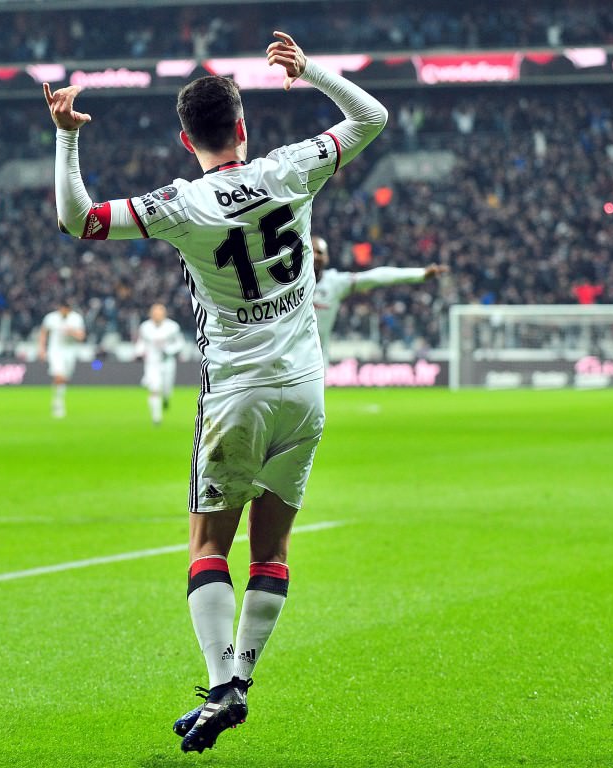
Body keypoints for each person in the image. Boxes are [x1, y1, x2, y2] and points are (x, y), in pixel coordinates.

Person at [45, 30, 387, 752]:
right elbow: (371, 118)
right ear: (242, 126)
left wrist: (68, 138)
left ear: (184, 138)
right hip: (305, 390)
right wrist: (309, 70)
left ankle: (220, 680)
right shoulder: (290, 168)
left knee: (208, 544)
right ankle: (243, 679)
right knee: (273, 549)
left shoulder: (180, 204)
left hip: (235, 393)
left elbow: (79, 220)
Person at [312, 235, 449, 370]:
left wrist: (420, 274)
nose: (315, 256)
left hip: (318, 364)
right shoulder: (297, 282)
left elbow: (377, 276)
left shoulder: (335, 283)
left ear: (327, 257)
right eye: (310, 251)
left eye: (319, 252)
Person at [135, 303, 184, 425]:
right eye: (155, 313)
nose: (157, 316)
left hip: (167, 361)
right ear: (151, 314)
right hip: (152, 362)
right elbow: (141, 342)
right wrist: (139, 352)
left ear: (164, 314)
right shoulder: (145, 327)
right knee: (155, 388)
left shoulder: (173, 327)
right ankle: (156, 418)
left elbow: (180, 343)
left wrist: (170, 350)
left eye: (159, 313)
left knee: (167, 388)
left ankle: (166, 399)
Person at [37, 299, 86, 418]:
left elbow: (81, 336)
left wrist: (71, 332)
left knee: (65, 378)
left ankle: (58, 397)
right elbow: (43, 333)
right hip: (55, 350)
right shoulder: (51, 318)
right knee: (59, 375)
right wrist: (41, 349)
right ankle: (58, 403)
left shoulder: (76, 318)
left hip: (70, 352)